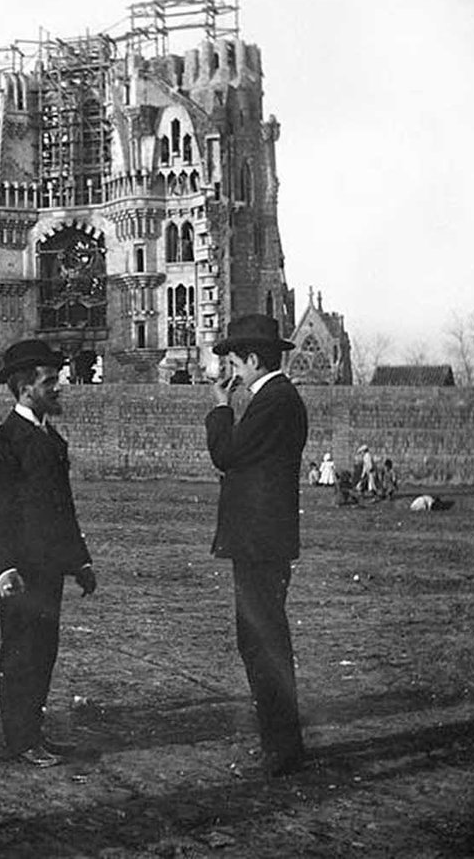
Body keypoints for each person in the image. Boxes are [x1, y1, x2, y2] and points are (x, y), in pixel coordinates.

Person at [0, 339, 97, 769]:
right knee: (21, 654)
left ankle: (33, 734)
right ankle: (20, 741)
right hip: (21, 575)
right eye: (51, 382)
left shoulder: (52, 441)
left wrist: (79, 560)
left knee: (43, 651)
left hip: (49, 573)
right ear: (26, 388)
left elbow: (63, 511)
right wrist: (4, 569)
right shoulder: (1, 443)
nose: (59, 388)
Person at [204, 314, 308, 777]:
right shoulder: (276, 400)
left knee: (263, 642)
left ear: (252, 359)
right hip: (261, 542)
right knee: (260, 640)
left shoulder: (274, 402)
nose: (231, 373)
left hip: (259, 544)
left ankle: (282, 749)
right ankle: (280, 744)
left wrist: (220, 406)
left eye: (234, 362)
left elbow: (225, 455)